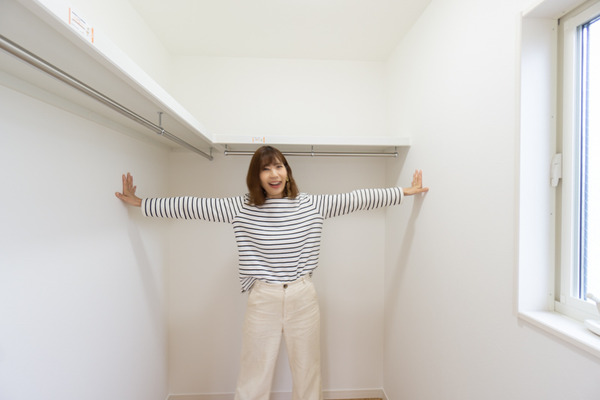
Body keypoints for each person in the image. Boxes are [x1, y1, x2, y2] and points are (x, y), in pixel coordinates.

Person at [115, 145, 428, 400]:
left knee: (307, 371)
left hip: (303, 295)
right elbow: (191, 206)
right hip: (263, 297)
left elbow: (357, 199)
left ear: (287, 172)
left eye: (278, 166)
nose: (274, 174)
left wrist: (405, 191)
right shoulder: (242, 207)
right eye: (266, 169)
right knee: (255, 372)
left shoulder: (311, 205)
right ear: (257, 176)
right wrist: (141, 203)